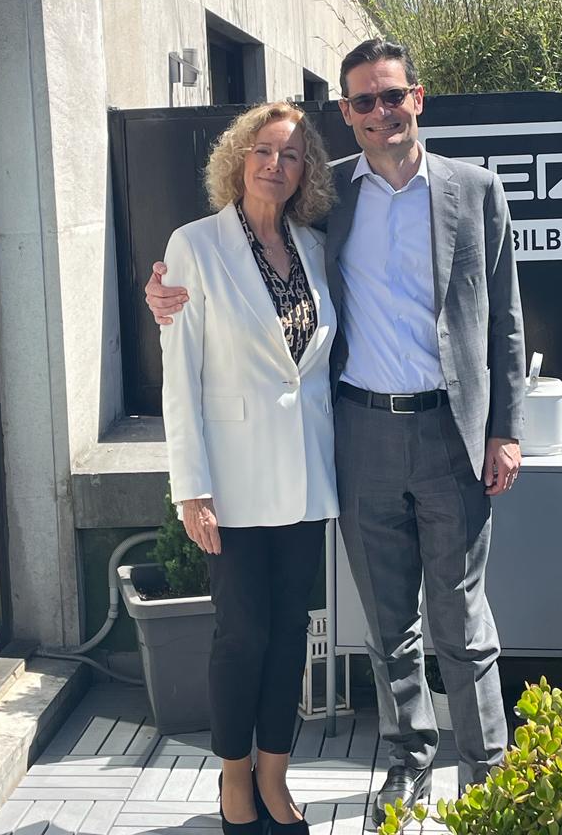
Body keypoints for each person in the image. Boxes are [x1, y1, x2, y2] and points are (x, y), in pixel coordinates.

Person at [147, 39, 525, 822]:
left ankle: (488, 774)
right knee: (390, 624)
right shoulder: (333, 201)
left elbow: (506, 322)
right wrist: (159, 294)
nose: (381, 112)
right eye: (363, 102)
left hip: (452, 436)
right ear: (348, 116)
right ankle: (408, 762)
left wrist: (505, 429)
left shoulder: (474, 191)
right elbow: (219, 281)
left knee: (462, 619)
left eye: (392, 97)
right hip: (361, 439)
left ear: (417, 99)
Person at [159, 101, 338, 835]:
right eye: (263, 151)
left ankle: (274, 773)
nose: (275, 165)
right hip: (229, 483)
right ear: (239, 158)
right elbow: (181, 376)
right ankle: (233, 776)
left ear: (306, 173)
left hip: (303, 477)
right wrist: (190, 488)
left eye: (291, 156)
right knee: (241, 634)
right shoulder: (195, 247)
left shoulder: (315, 248)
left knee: (292, 629)